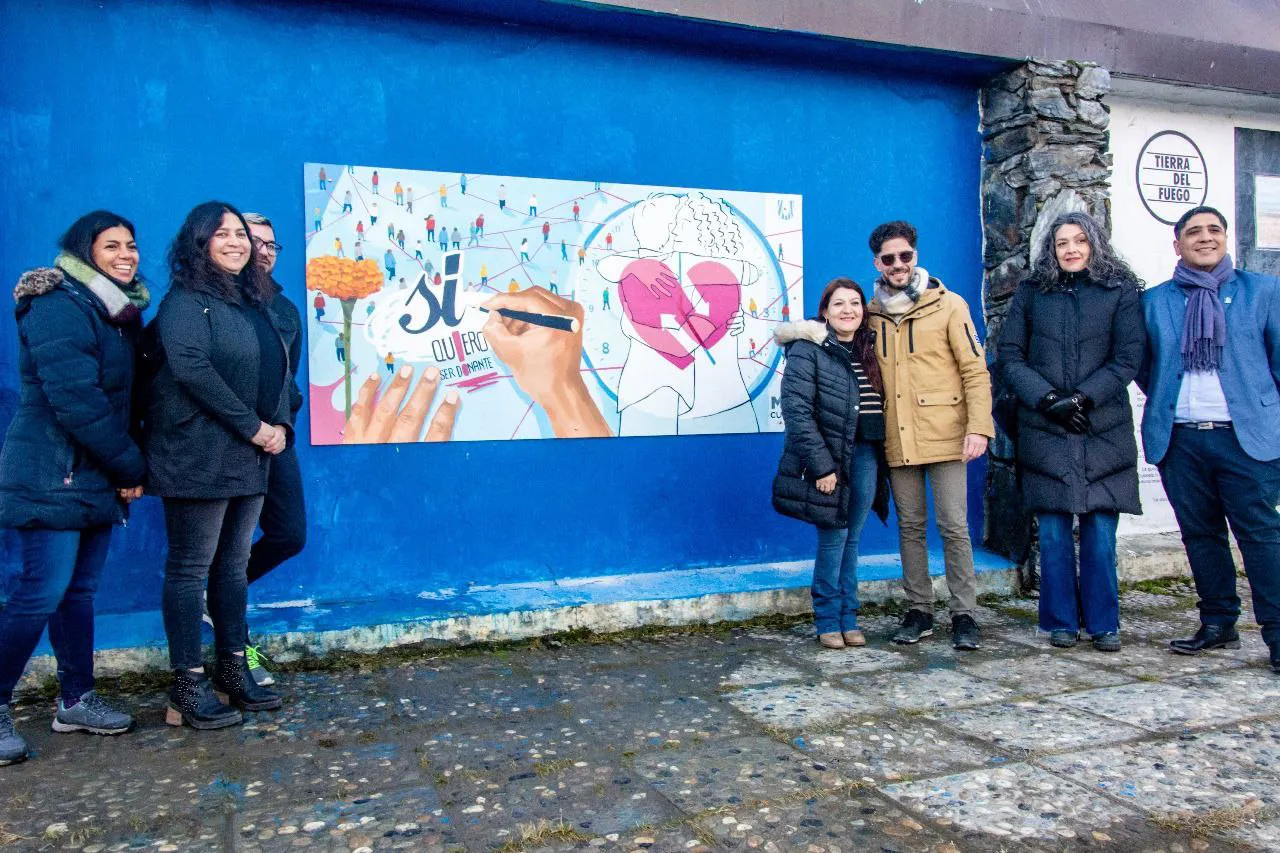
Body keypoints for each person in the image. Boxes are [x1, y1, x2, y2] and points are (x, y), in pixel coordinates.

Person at [0, 211, 149, 765]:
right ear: (84, 251)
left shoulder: (114, 314)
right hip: (52, 471)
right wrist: (130, 466)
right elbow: (76, 402)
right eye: (111, 246)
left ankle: (76, 700)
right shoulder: (58, 303)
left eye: (131, 245)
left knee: (78, 592)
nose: (126, 254)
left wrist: (120, 467)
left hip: (91, 475)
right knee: (40, 590)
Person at [145, 201, 289, 729]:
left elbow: (276, 372)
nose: (236, 242)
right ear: (198, 242)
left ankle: (232, 669)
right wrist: (254, 428)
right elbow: (192, 371)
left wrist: (279, 428)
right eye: (221, 234)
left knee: (231, 567)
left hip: (251, 456)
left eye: (240, 235)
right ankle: (186, 685)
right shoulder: (185, 301)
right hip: (198, 456)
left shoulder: (251, 302)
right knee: (190, 569)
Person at [1136, 206, 1280, 673]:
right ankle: (1218, 622)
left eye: (1213, 230)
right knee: (1200, 534)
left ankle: (1278, 636)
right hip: (1181, 439)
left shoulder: (1262, 291)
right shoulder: (1155, 301)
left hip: (1246, 439)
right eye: (1193, 232)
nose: (1204, 237)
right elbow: (1144, 367)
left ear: (1226, 239)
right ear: (1176, 245)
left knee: (1260, 537)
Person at [998, 211, 1145, 652]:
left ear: (1095, 243)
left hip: (1103, 427)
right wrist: (1048, 401)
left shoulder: (1119, 292)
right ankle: (1059, 620)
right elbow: (1011, 355)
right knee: (1056, 532)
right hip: (1045, 428)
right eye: (1062, 242)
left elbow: (1127, 358)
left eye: (1080, 240)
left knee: (1100, 533)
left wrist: (1082, 399)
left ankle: (1104, 623)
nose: (1071, 249)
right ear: (1051, 249)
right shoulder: (1031, 292)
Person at [866, 221, 993, 650]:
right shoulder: (871, 314)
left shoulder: (949, 305)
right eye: (889, 258)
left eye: (905, 256)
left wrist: (979, 427)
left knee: (954, 526)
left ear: (915, 256)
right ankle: (919, 610)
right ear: (877, 263)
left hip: (946, 434)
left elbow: (975, 370)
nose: (898, 265)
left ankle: (965, 614)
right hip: (896, 435)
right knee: (910, 526)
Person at [774, 278, 888, 649]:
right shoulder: (807, 349)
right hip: (832, 458)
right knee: (834, 536)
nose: (848, 310)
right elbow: (797, 411)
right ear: (824, 311)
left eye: (855, 303)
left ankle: (849, 616)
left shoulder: (867, 348)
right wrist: (823, 466)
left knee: (853, 538)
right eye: (839, 304)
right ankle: (826, 619)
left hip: (867, 453)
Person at [242, 214, 306, 686]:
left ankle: (215, 596)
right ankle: (235, 649)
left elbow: (290, 382)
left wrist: (285, 423)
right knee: (224, 548)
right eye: (253, 241)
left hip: (276, 439)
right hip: (226, 442)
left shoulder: (283, 309)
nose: (264, 251)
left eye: (272, 244)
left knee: (289, 534)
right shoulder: (206, 304)